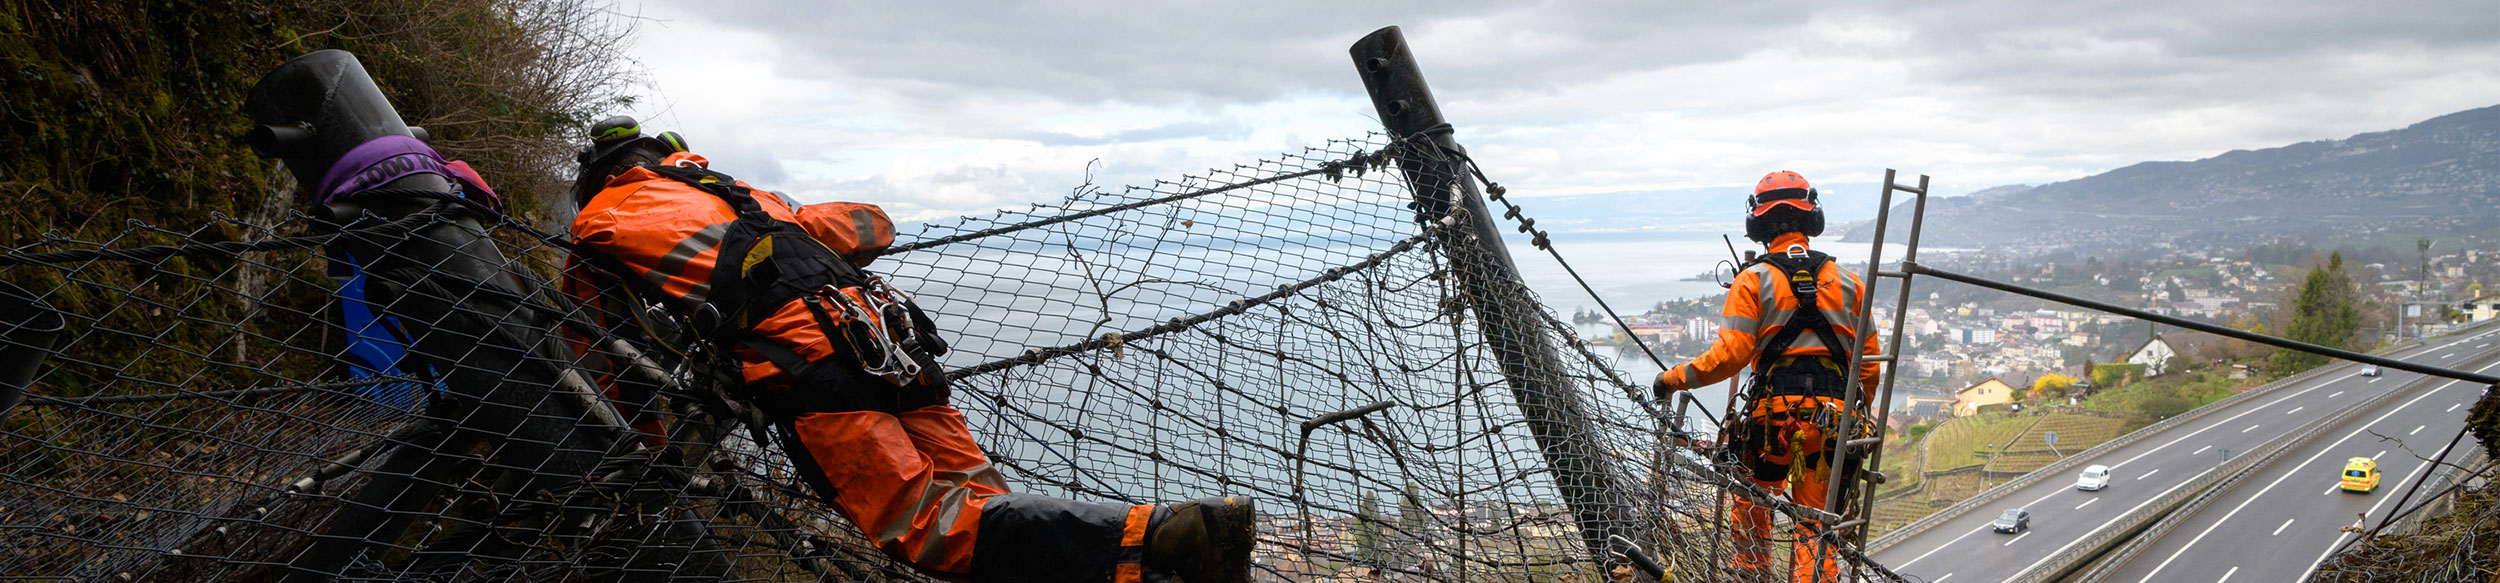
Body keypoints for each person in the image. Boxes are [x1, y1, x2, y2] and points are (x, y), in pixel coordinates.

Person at [560, 116, 1254, 583]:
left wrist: (645, 447)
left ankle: (1164, 532)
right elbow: (873, 226)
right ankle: (1159, 546)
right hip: (893, 343)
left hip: (810, 365)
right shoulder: (748, 194)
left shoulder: (600, 220)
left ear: (599, 180)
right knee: (979, 504)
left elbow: (596, 344)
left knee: (927, 527)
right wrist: (796, 229)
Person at [1653, 171, 1879, 583]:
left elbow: (1730, 357)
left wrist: (1672, 379)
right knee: (1816, 530)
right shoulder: (1850, 285)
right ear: (1812, 219)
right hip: (1832, 425)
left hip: (1771, 424)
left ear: (1758, 222)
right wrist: (1858, 414)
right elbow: (1868, 369)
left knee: (1751, 518)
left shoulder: (1752, 280)